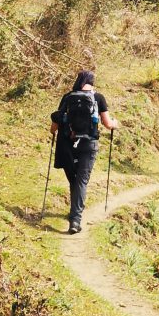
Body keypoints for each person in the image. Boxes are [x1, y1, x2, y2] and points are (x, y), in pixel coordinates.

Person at [50, 70, 119, 234]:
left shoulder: (68, 97)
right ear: (92, 82)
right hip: (88, 145)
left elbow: (55, 124)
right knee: (81, 181)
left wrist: (54, 131)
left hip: (67, 145)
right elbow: (108, 124)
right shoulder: (98, 98)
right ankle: (75, 220)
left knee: (74, 181)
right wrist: (116, 124)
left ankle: (75, 213)